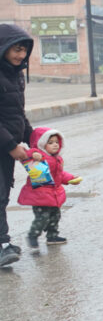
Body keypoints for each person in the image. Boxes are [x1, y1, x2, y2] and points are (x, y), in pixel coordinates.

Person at [0, 24, 33, 267]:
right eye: (17, 50)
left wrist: (35, 138)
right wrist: (12, 144)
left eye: (24, 51)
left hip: (5, 147)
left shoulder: (14, 74)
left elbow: (16, 113)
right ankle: (3, 245)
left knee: (2, 195)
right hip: (4, 145)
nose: (21, 56)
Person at [17, 127, 82, 250]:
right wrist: (33, 154)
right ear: (42, 144)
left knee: (55, 216)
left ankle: (52, 236)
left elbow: (59, 175)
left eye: (57, 142)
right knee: (42, 217)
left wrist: (71, 178)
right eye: (50, 142)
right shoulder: (38, 156)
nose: (55, 145)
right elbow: (25, 156)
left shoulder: (57, 159)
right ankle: (33, 235)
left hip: (53, 195)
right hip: (40, 195)